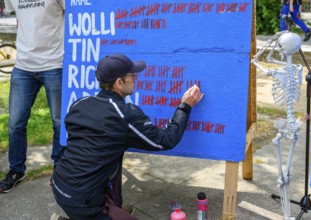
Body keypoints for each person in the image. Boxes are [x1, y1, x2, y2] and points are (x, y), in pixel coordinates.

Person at [51, 54, 204, 220]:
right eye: (132, 76)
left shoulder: (79, 104)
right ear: (119, 83)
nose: (136, 79)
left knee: (108, 163)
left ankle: (109, 209)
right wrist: (185, 106)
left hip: (59, 183)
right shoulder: (125, 115)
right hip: (83, 201)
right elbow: (166, 140)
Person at [0, 0, 65, 193]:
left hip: (55, 63)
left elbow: (72, 15)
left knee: (60, 122)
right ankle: (16, 170)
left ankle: (60, 169)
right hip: (23, 67)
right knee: (15, 123)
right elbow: (22, 21)